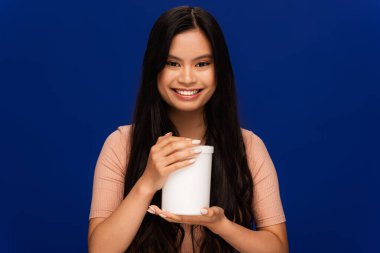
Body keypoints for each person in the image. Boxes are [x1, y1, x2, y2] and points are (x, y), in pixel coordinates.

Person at [87, 5, 288, 253]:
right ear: (155, 69)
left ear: (219, 70)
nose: (187, 78)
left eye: (202, 64)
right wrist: (148, 182)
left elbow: (278, 248)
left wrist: (221, 225)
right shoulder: (121, 145)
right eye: (172, 63)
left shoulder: (248, 147)